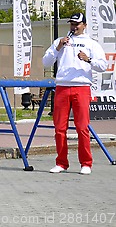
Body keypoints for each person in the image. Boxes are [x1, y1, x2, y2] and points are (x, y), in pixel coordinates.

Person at [42, 13, 107, 175]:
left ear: (84, 25)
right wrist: (58, 48)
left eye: (77, 24)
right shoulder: (61, 41)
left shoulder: (92, 44)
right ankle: (61, 162)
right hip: (62, 86)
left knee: (82, 127)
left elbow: (103, 66)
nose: (74, 27)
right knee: (59, 128)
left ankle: (86, 163)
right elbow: (46, 62)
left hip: (82, 87)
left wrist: (88, 59)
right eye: (72, 24)